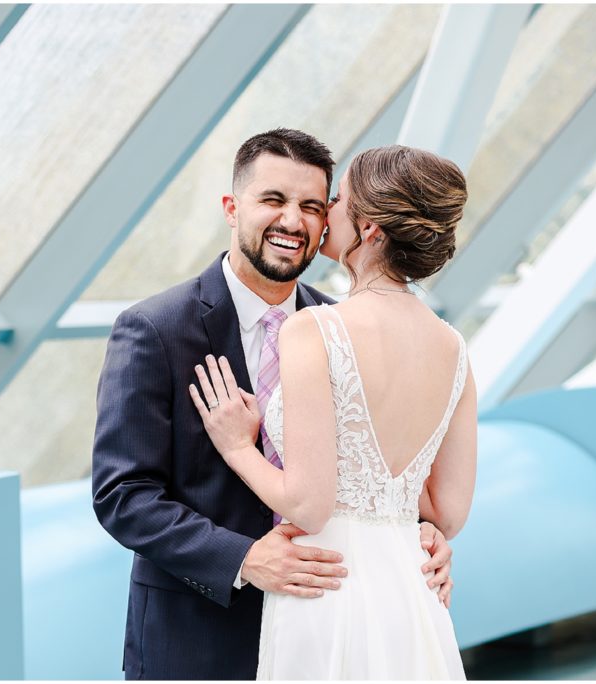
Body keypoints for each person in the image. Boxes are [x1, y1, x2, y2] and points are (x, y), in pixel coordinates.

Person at [92, 130, 455, 680]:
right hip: (199, 637)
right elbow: (123, 494)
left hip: (332, 625)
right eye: (273, 200)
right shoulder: (154, 330)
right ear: (232, 208)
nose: (293, 221)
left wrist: (423, 534)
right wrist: (242, 559)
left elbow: (387, 468)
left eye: (312, 206)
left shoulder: (344, 329)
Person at [189, 144, 475, 679]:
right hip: (412, 592)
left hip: (327, 585)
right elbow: (448, 513)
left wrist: (236, 447)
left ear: (369, 230)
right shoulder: (453, 347)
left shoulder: (317, 329)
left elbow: (309, 506)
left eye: (338, 199)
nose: (326, 213)